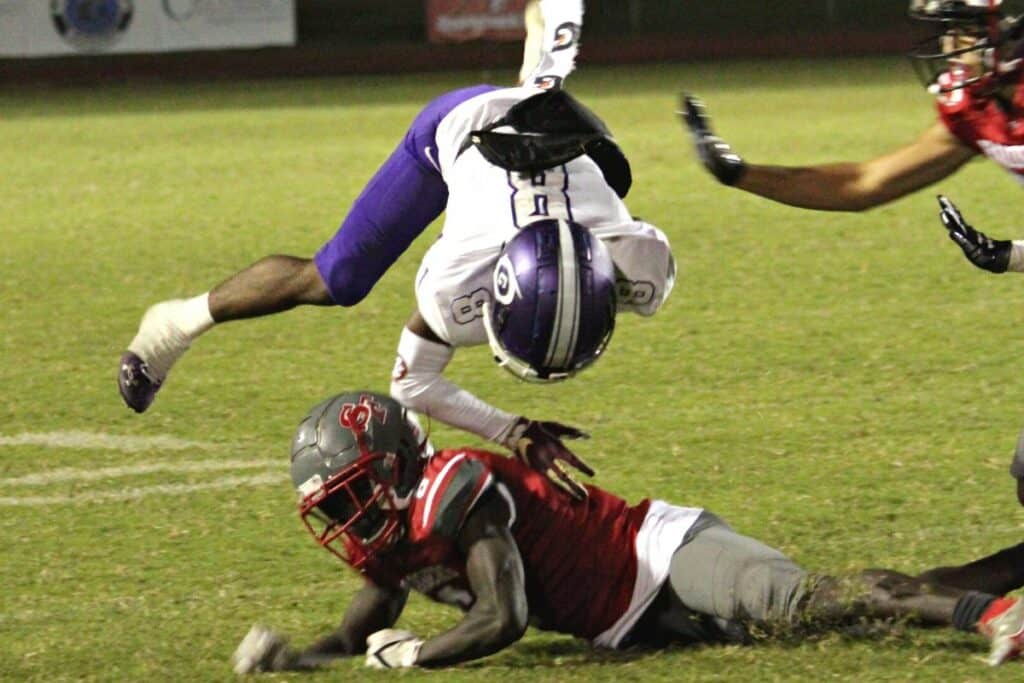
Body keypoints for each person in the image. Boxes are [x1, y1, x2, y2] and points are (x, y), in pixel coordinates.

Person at [117, 0, 673, 497]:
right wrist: (512, 430)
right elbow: (411, 381)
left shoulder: (643, 269)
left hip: (558, 142)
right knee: (337, 279)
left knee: (556, 78)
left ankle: (538, 69)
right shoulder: (459, 278)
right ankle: (176, 323)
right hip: (458, 134)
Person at [230, 391, 1024, 673]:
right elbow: (355, 634)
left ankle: (994, 616)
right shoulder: (398, 535)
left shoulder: (454, 489)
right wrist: (293, 658)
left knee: (804, 601)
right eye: (337, 506)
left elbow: (500, 616)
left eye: (354, 493)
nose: (349, 518)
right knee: (852, 612)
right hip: (630, 623)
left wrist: (418, 656)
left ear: (399, 465)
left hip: (662, 557)